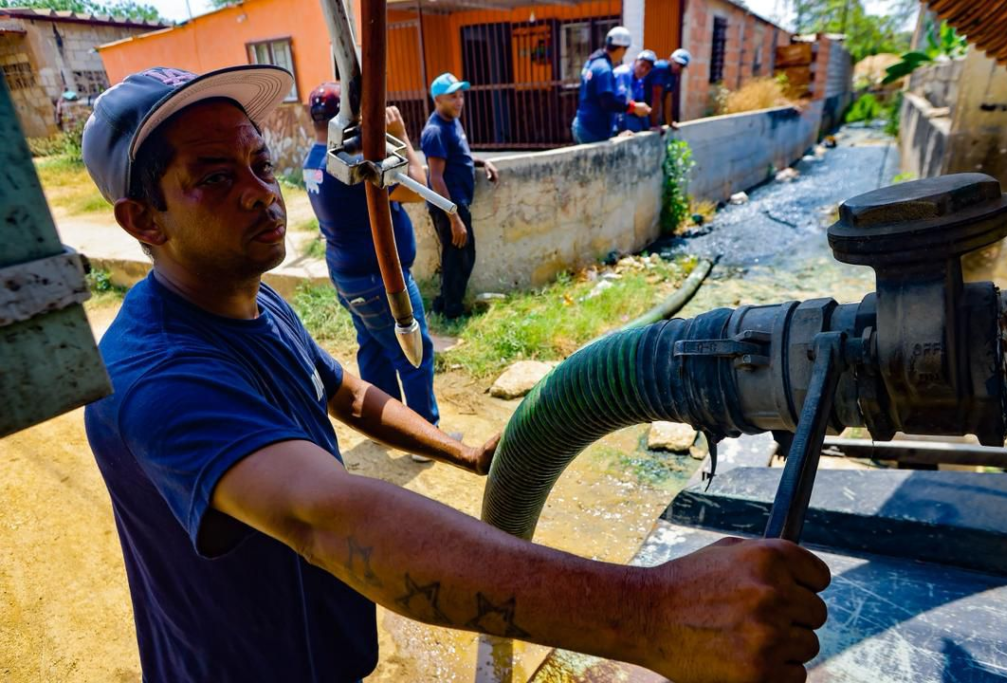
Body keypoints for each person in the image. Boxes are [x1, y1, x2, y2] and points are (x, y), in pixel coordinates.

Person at [80, 64, 830, 683]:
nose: (258, 189)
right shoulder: (157, 377)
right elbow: (325, 517)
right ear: (143, 219)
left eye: (258, 163)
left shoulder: (257, 301)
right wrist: (653, 613)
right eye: (214, 177)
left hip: (318, 650)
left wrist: (464, 452)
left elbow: (348, 394)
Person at [302, 83, 439, 462]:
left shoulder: (314, 158)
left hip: (346, 273)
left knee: (374, 348)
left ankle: (385, 429)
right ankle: (424, 439)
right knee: (413, 353)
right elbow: (418, 188)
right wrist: (401, 135)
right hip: (380, 279)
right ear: (348, 117)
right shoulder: (352, 166)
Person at [420, 72, 498, 319]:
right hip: (448, 207)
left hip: (457, 203)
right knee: (460, 258)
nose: (459, 101)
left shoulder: (452, 121)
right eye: (452, 97)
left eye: (461, 95)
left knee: (458, 257)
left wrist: (482, 162)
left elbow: (458, 157)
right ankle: (452, 312)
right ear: (438, 100)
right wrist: (454, 218)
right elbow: (436, 178)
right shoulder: (435, 131)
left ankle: (443, 304)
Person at [572, 26, 652, 144]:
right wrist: (633, 107)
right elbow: (608, 102)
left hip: (582, 123)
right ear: (621, 49)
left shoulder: (592, 62)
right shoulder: (605, 69)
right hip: (593, 129)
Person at [614, 49, 657, 134]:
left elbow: (639, 100)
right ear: (635, 61)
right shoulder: (624, 73)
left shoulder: (639, 80)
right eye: (642, 65)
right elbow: (619, 102)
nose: (643, 70)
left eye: (647, 68)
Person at [647, 48, 691, 128]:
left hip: (651, 106)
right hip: (643, 102)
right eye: (677, 63)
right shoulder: (662, 68)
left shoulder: (673, 76)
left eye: (681, 66)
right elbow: (656, 97)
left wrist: (670, 122)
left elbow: (668, 99)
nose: (678, 67)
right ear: (671, 59)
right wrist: (654, 124)